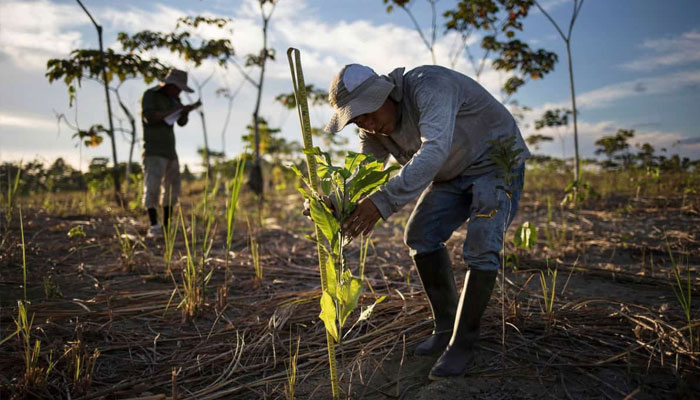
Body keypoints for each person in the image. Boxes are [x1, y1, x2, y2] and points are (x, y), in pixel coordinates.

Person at [324, 64, 529, 379]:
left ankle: (463, 344)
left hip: (495, 163)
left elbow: (433, 151)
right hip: (452, 173)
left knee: (481, 246)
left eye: (367, 111)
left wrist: (382, 203)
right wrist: (336, 201)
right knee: (420, 235)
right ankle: (446, 327)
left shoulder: (429, 86)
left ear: (385, 93)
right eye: (356, 118)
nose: (365, 122)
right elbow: (364, 172)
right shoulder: (374, 130)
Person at [141, 68, 201, 237]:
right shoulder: (151, 95)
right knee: (152, 187)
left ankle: (167, 226)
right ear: (170, 84)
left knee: (172, 187)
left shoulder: (175, 99)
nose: (179, 91)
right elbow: (150, 117)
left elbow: (181, 123)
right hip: (153, 149)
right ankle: (154, 225)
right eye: (178, 87)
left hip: (170, 150)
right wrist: (172, 111)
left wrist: (184, 112)